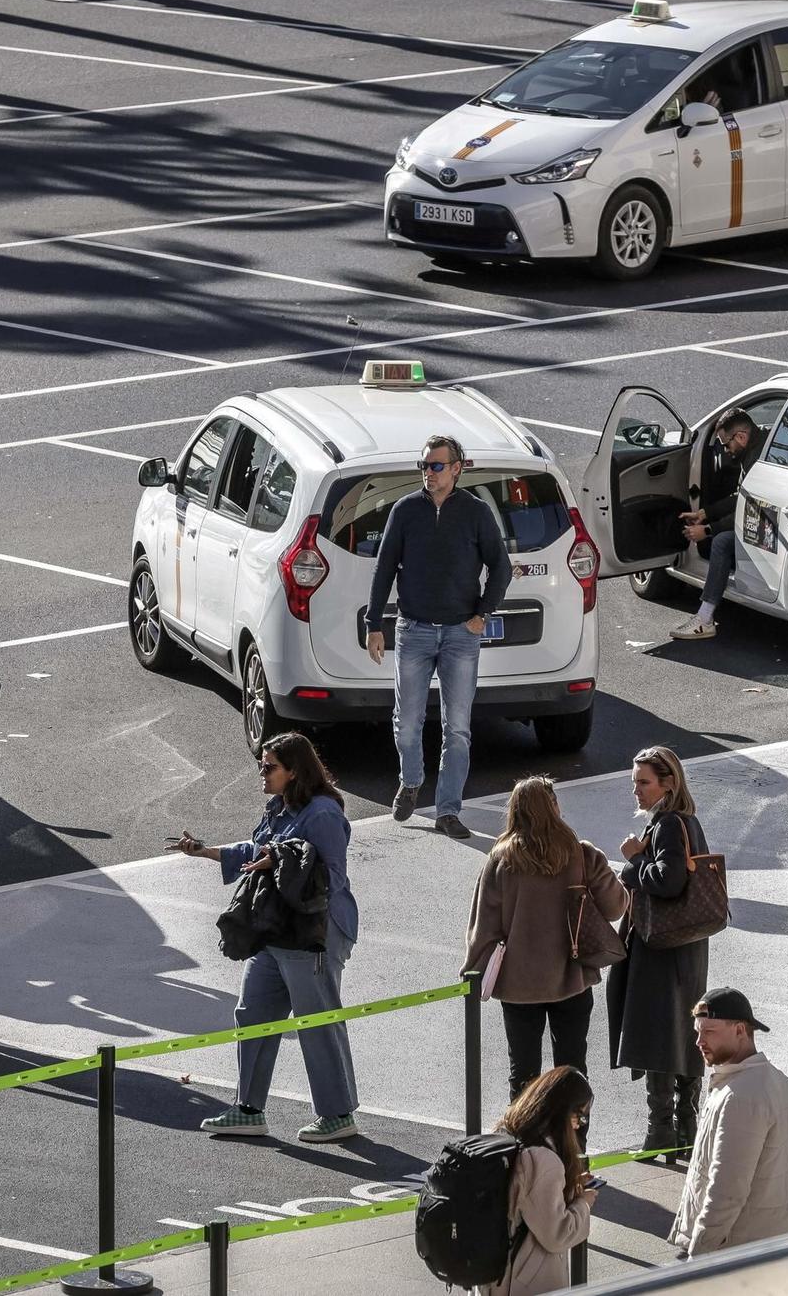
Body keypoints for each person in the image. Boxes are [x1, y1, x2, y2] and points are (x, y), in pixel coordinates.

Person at [170, 732, 362, 1143]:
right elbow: (256, 849)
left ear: (295, 770)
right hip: (273, 930)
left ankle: (338, 1114)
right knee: (252, 1016)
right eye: (262, 764)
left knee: (317, 1023)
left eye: (270, 765)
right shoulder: (280, 806)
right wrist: (205, 852)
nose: (262, 771)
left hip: (314, 934)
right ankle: (248, 1109)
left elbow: (332, 876)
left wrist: (284, 857)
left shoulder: (324, 814)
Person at [365, 434, 513, 840]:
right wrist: (373, 624)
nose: (428, 473)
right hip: (412, 631)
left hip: (460, 634)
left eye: (436, 466)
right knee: (407, 723)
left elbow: (501, 567)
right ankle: (411, 781)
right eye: (424, 466)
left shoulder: (477, 513)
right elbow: (384, 569)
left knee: (458, 728)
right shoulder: (405, 510)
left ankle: (448, 810)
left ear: (457, 468)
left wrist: (483, 613)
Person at [465, 777, 632, 1099]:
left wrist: (473, 971)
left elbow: (483, 926)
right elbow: (616, 907)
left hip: (518, 985)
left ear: (515, 811)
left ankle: (527, 1145)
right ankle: (573, 1146)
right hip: (570, 978)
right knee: (572, 1072)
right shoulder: (581, 854)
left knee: (523, 1076)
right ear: (554, 807)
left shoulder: (501, 859)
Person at [606, 746, 711, 1157]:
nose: (636, 791)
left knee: (660, 1034)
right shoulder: (685, 823)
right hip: (686, 945)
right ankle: (685, 1130)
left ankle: (661, 1131)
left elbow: (667, 882)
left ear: (669, 783)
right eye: (634, 782)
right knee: (682, 1034)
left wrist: (633, 861)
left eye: (644, 782)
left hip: (662, 946)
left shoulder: (668, 825)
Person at [669, 988, 788, 1258]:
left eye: (709, 1032)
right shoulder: (779, 1083)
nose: (698, 1041)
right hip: (776, 1245)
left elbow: (726, 1190)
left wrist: (699, 1252)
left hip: (739, 1251)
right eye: (698, 1032)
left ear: (740, 1031)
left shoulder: (740, 1096)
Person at [479, 1066, 597, 1296]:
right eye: (580, 1116)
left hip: (496, 1276)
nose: (579, 1125)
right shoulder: (543, 1160)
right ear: (563, 1111)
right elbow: (558, 1234)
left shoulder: (508, 1133)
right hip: (526, 1282)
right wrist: (584, 1202)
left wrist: (568, 1188)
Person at [671, 410, 764, 642]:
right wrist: (705, 513)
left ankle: (705, 619)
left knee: (722, 542)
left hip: (766, 529)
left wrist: (708, 530)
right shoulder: (758, 448)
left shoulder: (756, 462)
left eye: (725, 443)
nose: (724, 449)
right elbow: (740, 497)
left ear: (741, 437)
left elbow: (749, 509)